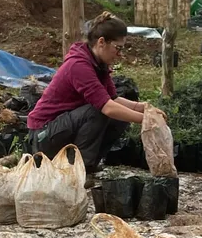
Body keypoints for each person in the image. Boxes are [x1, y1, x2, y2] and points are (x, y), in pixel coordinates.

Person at [27, 12, 149, 172]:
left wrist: (144, 108)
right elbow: (107, 107)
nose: (120, 54)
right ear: (101, 42)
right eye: (117, 48)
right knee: (98, 111)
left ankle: (87, 166)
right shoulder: (78, 65)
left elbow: (114, 99)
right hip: (43, 135)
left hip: (62, 128)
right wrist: (146, 121)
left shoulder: (98, 64)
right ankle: (77, 171)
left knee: (120, 117)